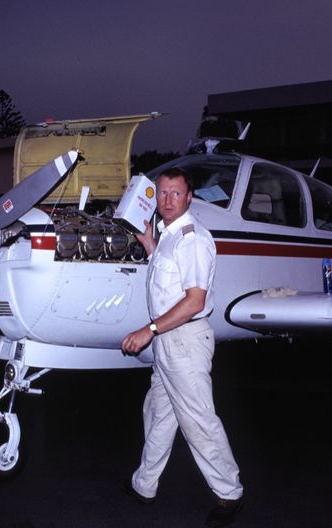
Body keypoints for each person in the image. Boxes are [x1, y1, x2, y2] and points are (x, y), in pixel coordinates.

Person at [121, 167, 244, 527]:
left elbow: (193, 301)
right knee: (158, 414)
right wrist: (149, 244)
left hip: (184, 341)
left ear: (190, 197)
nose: (168, 200)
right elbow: (169, 278)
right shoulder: (169, 235)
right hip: (168, 342)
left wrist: (148, 330)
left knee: (198, 421)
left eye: (176, 193)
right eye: (162, 193)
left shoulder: (193, 239)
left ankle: (230, 493)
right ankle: (145, 485)